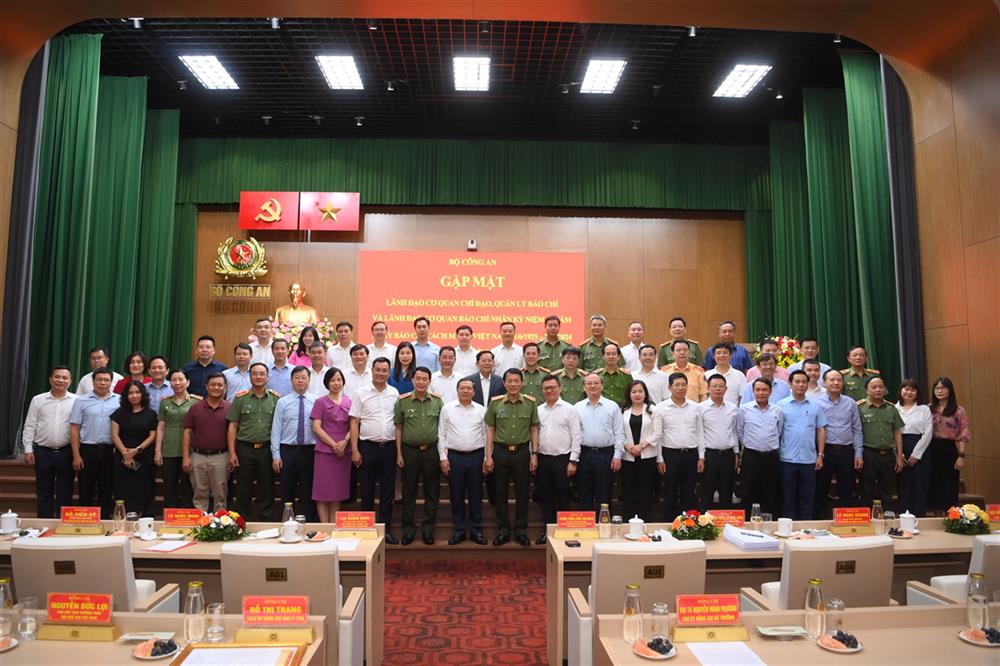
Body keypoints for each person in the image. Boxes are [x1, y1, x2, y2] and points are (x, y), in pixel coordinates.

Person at [486, 368, 540, 546]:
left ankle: (520, 530)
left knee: (522, 493)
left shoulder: (530, 403)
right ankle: (502, 530)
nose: (513, 384)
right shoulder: (495, 403)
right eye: (510, 381)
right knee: (500, 492)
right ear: (504, 383)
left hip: (522, 452)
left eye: (517, 381)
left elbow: (534, 429)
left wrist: (534, 454)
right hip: (500, 452)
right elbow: (490, 430)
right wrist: (488, 456)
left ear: (522, 383)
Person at [350, 358, 401, 543]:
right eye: (378, 370)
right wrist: (355, 450)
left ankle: (386, 529)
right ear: (372, 371)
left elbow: (397, 424)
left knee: (388, 491)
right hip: (367, 447)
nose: (381, 373)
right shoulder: (360, 393)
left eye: (384, 370)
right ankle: (366, 530)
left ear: (389, 372)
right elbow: (354, 422)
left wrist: (398, 451)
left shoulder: (394, 393)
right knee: (366, 490)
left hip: (388, 448)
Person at [395, 367, 444, 545]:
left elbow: (442, 429)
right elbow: (399, 427)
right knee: (409, 492)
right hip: (409, 451)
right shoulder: (403, 401)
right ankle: (408, 530)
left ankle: (428, 530)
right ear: (413, 380)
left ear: (430, 381)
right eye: (418, 378)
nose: (421, 382)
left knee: (432, 491)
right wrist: (399, 453)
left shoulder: (438, 401)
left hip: (431, 451)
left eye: (425, 379)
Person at [438, 378, 488, 545]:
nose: (465, 391)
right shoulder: (447, 409)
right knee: (456, 495)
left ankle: (476, 531)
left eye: (469, 388)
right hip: (454, 457)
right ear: (457, 390)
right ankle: (459, 531)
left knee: (476, 495)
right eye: (462, 388)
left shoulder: (481, 410)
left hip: (476, 456)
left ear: (474, 392)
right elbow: (441, 435)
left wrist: (487, 458)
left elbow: (486, 435)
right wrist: (443, 458)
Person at [22, 366, 77, 518]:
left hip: (67, 452)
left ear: (70, 381)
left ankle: (62, 525)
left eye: (65, 378)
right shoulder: (38, 400)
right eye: (57, 377)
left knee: (65, 492)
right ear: (50, 379)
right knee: (43, 492)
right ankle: (44, 524)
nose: (61, 380)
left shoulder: (76, 400)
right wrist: (28, 449)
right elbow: (30, 425)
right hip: (43, 452)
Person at [227, 363, 279, 520]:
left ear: (267, 377)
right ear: (250, 377)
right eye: (254, 374)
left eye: (262, 374)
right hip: (244, 448)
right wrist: (232, 452)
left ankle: (266, 521)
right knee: (243, 488)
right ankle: (243, 522)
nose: (258, 377)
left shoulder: (275, 399)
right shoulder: (240, 398)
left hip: (266, 449)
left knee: (267, 487)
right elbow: (233, 426)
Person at [535, 375, 582, 544]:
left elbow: (577, 436)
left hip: (564, 459)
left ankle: (564, 532)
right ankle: (548, 532)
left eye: (553, 387)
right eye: (546, 388)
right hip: (543, 459)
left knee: (563, 497)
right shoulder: (538, 410)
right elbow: (534, 435)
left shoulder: (570, 409)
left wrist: (573, 461)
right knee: (546, 497)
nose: (549, 391)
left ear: (560, 388)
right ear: (542, 390)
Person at [777, 370, 827, 520]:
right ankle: (789, 528)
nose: (800, 385)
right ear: (790, 384)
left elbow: (821, 429)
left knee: (807, 496)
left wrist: (820, 455)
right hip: (786, 459)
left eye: (803, 382)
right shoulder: (781, 405)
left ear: (807, 384)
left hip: (809, 459)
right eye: (796, 381)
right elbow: (777, 432)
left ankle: (806, 527)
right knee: (788, 497)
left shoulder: (815, 405)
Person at [69, 367, 119, 517]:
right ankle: (85, 521)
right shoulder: (81, 400)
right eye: (99, 380)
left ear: (111, 382)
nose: (102, 383)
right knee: (85, 488)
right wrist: (76, 455)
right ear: (93, 381)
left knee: (107, 488)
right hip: (87, 450)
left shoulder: (119, 400)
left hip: (110, 451)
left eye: (106, 380)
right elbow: (74, 430)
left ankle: (104, 522)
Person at [574, 373, 625, 516]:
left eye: (596, 383)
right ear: (584, 387)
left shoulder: (612, 406)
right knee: (584, 493)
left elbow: (619, 433)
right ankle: (586, 529)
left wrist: (617, 456)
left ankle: (604, 527)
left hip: (606, 455)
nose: (592, 386)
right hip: (585, 454)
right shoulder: (578, 407)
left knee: (604, 494)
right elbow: (575, 434)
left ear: (602, 386)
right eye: (589, 383)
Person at [271, 366, 318, 521]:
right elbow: (276, 430)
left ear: (309, 380)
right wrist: (276, 455)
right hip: (288, 451)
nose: (300, 381)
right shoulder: (282, 402)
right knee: (287, 490)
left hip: (309, 451)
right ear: (291, 381)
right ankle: (286, 523)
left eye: (303, 377)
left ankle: (310, 524)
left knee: (309, 490)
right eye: (297, 377)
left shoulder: (316, 401)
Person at [814, 369, 863, 517]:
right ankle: (819, 523)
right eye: (832, 380)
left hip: (846, 451)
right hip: (825, 451)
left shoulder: (851, 403)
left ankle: (846, 523)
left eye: (839, 380)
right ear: (824, 383)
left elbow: (857, 429)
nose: (836, 383)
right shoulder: (816, 403)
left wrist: (858, 453)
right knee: (820, 489)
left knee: (846, 490)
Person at [654, 373, 700, 520]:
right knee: (670, 492)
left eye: (683, 384)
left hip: (691, 455)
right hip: (670, 455)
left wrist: (702, 456)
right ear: (669, 387)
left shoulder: (695, 407)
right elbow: (658, 435)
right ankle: (669, 523)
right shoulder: (660, 408)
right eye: (677, 385)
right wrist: (659, 458)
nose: (681, 388)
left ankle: (688, 525)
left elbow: (700, 434)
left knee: (688, 492)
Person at [182, 373, 231, 512]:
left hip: (221, 456)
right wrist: (186, 457)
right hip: (198, 456)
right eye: (213, 384)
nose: (216, 387)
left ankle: (220, 523)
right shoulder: (196, 408)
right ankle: (201, 523)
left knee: (220, 493)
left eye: (220, 385)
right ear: (206, 387)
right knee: (199, 492)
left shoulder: (230, 407)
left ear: (225, 388)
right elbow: (187, 432)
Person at [736, 378, 784, 518]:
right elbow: (740, 431)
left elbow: (779, 431)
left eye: (764, 390)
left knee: (770, 492)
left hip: (771, 457)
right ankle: (746, 525)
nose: (761, 393)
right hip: (751, 456)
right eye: (757, 390)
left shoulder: (777, 410)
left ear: (770, 391)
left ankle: (768, 524)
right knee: (748, 491)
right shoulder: (744, 410)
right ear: (753, 391)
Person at [110, 381, 158, 517]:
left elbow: (152, 435)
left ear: (143, 394)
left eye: (137, 392)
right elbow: (114, 435)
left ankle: (144, 520)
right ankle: (123, 519)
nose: (134, 395)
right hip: (122, 458)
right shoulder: (119, 413)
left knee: (144, 489)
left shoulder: (151, 414)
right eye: (130, 393)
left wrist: (137, 450)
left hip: (144, 456)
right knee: (123, 489)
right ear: (126, 395)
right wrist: (126, 453)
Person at [311, 367, 353, 522]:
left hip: (344, 452)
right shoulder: (320, 402)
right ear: (327, 383)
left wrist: (346, 441)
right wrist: (334, 445)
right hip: (325, 452)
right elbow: (316, 427)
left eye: (339, 380)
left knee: (337, 492)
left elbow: (354, 425)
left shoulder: (350, 401)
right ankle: (324, 526)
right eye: (333, 380)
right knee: (322, 492)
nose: (336, 383)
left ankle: (334, 525)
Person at [857, 377, 904, 509]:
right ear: (866, 390)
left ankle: (888, 520)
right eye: (874, 387)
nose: (878, 390)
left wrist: (899, 457)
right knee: (866, 489)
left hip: (888, 454)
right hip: (868, 453)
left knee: (887, 490)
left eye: (881, 386)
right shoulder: (859, 408)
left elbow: (897, 433)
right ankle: (867, 520)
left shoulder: (892, 408)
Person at [155, 369, 198, 509]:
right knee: (169, 485)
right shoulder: (165, 403)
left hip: (190, 450)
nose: (177, 383)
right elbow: (161, 427)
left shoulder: (196, 402)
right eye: (174, 380)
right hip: (169, 448)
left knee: (188, 485)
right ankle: (169, 516)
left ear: (188, 382)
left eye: (181, 379)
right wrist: (158, 451)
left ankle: (187, 517)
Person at [927, 377, 972, 512]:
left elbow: (963, 433)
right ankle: (935, 516)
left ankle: (950, 516)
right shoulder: (928, 408)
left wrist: (961, 455)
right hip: (930, 449)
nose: (939, 391)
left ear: (950, 390)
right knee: (933, 484)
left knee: (949, 484)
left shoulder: (958, 410)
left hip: (949, 450)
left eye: (943, 388)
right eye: (937, 388)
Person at [620, 380, 662, 522]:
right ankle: (628, 524)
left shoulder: (653, 410)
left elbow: (657, 433)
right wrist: (627, 446)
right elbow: (618, 432)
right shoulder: (623, 410)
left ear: (645, 393)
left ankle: (645, 523)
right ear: (629, 394)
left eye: (640, 391)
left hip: (647, 457)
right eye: (634, 391)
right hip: (628, 457)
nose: (637, 394)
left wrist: (641, 445)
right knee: (628, 493)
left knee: (645, 493)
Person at [698, 374, 739, 513]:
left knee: (726, 492)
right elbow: (699, 434)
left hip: (728, 455)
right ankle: (703, 524)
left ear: (726, 389)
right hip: (710, 455)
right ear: (708, 388)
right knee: (706, 492)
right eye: (714, 386)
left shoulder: (733, 408)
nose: (718, 389)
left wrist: (736, 453)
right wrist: (701, 457)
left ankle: (726, 527)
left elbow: (734, 432)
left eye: (721, 386)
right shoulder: (701, 408)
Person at [895, 379, 933, 517]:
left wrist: (916, 454)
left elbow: (928, 432)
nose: (908, 392)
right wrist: (899, 454)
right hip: (900, 448)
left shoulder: (924, 409)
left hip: (920, 448)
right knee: (903, 486)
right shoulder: (894, 408)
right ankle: (905, 518)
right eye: (906, 388)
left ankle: (920, 517)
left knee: (920, 485)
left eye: (912, 389)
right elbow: (892, 432)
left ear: (917, 393)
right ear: (900, 391)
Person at [596, 343, 632, 407]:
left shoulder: (626, 376)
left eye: (613, 354)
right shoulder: (596, 376)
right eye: (608, 354)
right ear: (603, 357)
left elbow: (631, 394)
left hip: (621, 410)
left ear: (618, 357)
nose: (611, 356)